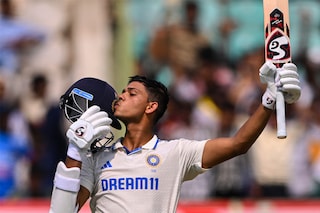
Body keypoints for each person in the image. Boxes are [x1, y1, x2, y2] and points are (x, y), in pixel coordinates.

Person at [49, 62, 301, 213]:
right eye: (122, 92)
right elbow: (63, 211)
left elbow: (238, 143)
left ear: (151, 107)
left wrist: (268, 99)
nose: (121, 96)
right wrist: (75, 151)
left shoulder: (175, 153)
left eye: (132, 93)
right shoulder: (96, 158)